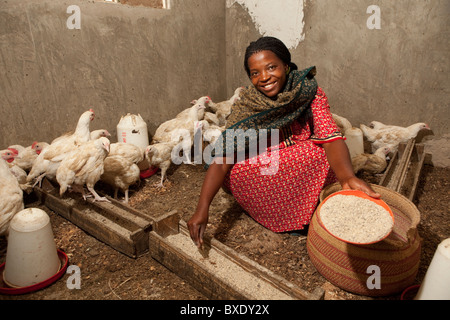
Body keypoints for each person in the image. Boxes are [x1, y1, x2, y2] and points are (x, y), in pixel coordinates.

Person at [187, 36, 380, 249]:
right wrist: (202, 209)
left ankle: (311, 208)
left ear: (286, 67)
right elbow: (224, 156)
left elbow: (329, 134)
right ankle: (277, 214)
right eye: (255, 73)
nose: (264, 77)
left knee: (319, 154)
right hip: (265, 162)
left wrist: (347, 176)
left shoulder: (306, 90)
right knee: (235, 173)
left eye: (271, 67)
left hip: (302, 155)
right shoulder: (247, 104)